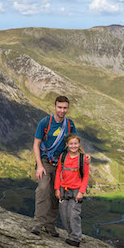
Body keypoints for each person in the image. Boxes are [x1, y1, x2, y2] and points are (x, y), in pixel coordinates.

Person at [32, 95, 77, 236]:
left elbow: (74, 145)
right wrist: (39, 165)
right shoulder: (45, 123)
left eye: (65, 108)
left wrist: (82, 159)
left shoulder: (70, 125)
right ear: (54, 107)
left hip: (61, 165)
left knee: (56, 194)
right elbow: (36, 144)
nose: (62, 110)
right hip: (45, 162)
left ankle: (50, 226)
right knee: (43, 189)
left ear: (67, 108)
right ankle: (38, 224)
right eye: (60, 107)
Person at [54, 134, 90, 247]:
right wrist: (57, 189)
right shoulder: (63, 156)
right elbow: (59, 172)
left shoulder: (83, 158)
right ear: (67, 145)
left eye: (75, 143)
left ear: (79, 144)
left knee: (74, 215)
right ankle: (71, 235)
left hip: (76, 191)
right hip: (63, 190)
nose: (73, 146)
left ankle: (76, 238)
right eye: (71, 144)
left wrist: (81, 191)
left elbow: (86, 176)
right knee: (64, 215)